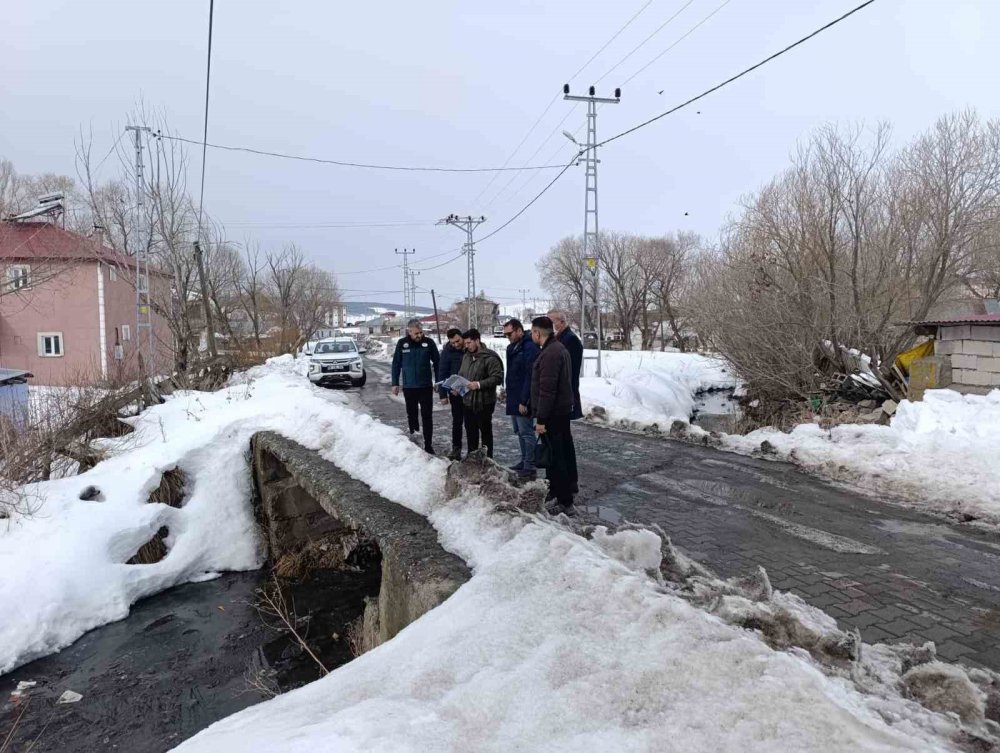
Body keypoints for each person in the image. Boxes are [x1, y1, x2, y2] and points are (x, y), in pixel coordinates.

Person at [530, 316, 578, 516]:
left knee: (557, 457)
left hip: (553, 414)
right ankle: (558, 493)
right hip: (561, 411)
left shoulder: (550, 353)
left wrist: (541, 420)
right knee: (561, 454)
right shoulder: (558, 348)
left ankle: (565, 501)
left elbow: (547, 390)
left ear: (537, 333)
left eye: (532, 332)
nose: (532, 335)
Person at [391, 318, 440, 454]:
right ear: (409, 332)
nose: (419, 335)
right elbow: (396, 364)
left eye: (421, 332)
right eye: (416, 333)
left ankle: (429, 445)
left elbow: (437, 363)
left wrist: (438, 381)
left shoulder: (429, 343)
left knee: (427, 415)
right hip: (409, 387)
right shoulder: (402, 344)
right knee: (412, 415)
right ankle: (416, 444)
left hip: (425, 386)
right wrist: (395, 383)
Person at [455, 328, 504, 458]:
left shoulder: (490, 357)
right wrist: (457, 387)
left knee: (486, 433)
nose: (467, 346)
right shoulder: (466, 356)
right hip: (467, 402)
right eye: (465, 343)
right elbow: (461, 374)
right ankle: (472, 459)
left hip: (484, 402)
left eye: (469, 343)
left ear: (477, 340)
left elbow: (497, 378)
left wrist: (478, 384)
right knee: (471, 433)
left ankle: (488, 460)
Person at [502, 318, 539, 478]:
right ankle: (524, 461)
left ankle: (530, 465)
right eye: (505, 335)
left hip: (523, 397)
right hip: (514, 396)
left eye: (509, 333)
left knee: (526, 432)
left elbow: (530, 376)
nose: (507, 337)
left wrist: (525, 400)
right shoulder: (514, 347)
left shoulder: (529, 347)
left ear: (519, 331)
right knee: (519, 431)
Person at [547, 309, 584, 420]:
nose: (549, 326)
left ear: (562, 322)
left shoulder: (570, 339)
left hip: (566, 393)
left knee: (562, 432)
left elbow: (569, 369)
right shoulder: (557, 337)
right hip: (559, 392)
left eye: (551, 322)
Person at [437, 327, 467, 461]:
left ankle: (475, 450)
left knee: (473, 423)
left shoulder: (469, 346)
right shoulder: (447, 352)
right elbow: (442, 373)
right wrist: (443, 395)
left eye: (457, 341)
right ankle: (456, 450)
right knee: (457, 422)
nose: (456, 344)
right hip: (455, 393)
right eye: (453, 343)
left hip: (472, 392)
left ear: (461, 337)